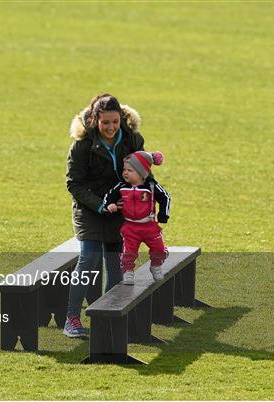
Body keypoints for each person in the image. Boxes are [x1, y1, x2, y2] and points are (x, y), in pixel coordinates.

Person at [64, 94, 145, 338]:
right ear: (94, 120)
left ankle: (107, 318)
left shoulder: (132, 140)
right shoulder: (82, 145)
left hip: (120, 211)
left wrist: (133, 196)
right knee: (88, 259)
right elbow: (74, 184)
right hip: (89, 210)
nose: (110, 128)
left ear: (122, 119)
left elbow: (142, 173)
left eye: (115, 122)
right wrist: (101, 205)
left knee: (116, 264)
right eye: (105, 123)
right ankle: (72, 319)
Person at [102, 151, 170, 285]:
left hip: (149, 225)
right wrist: (109, 204)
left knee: (159, 250)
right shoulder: (121, 186)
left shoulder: (151, 186)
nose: (125, 173)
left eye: (130, 170)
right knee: (128, 252)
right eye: (124, 170)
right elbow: (109, 196)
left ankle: (156, 265)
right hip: (130, 226)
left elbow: (165, 197)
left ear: (141, 172)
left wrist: (163, 214)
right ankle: (128, 272)